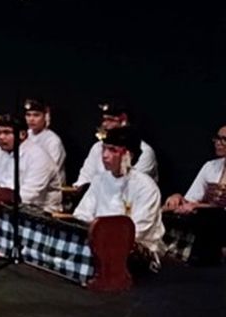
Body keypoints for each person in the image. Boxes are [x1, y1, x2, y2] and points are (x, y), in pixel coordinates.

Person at [74, 125, 164, 270]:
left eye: (112, 150)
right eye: (104, 149)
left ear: (128, 155)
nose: (105, 155)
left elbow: (138, 231)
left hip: (135, 252)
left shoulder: (146, 187)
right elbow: (82, 215)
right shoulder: (99, 180)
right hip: (98, 241)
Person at [162, 124, 226, 265]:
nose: (218, 143)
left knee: (213, 218)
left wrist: (199, 206)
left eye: (224, 139)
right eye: (217, 138)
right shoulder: (210, 166)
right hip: (207, 219)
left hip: (218, 221)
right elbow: (191, 199)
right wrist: (178, 197)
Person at [0, 114, 62, 211]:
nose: (1, 137)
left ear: (22, 134)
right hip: (6, 207)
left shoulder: (39, 157)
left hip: (41, 213)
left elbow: (29, 195)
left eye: (6, 132)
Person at [73, 102, 157, 187]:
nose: (104, 124)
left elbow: (131, 184)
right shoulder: (97, 147)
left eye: (110, 120)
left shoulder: (144, 152)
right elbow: (84, 179)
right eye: (103, 120)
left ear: (124, 121)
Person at [22, 98, 67, 181]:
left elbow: (51, 170)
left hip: (49, 184)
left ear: (45, 117)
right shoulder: (25, 136)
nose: (31, 119)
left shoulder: (53, 141)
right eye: (28, 115)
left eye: (36, 115)